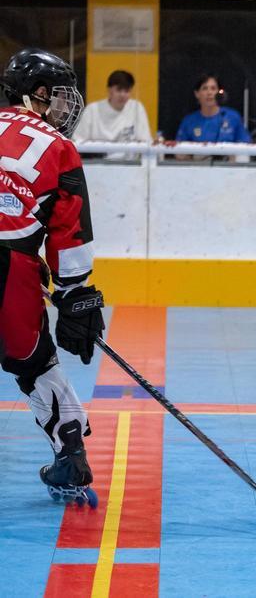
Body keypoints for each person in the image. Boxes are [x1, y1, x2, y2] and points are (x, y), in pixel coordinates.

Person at [0, 49, 107, 508]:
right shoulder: (59, 147)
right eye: (59, 96)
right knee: (36, 363)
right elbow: (70, 229)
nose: (66, 107)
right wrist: (74, 293)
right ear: (36, 94)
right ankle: (70, 456)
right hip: (13, 267)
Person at [72, 70, 152, 159]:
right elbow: (77, 142)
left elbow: (145, 142)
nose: (122, 95)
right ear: (109, 90)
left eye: (127, 91)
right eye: (119, 90)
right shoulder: (92, 110)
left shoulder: (137, 108)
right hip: (97, 164)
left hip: (130, 165)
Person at [175, 74, 252, 143]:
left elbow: (245, 143)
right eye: (205, 88)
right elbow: (179, 152)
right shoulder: (189, 121)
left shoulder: (232, 117)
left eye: (213, 88)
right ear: (197, 94)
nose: (209, 93)